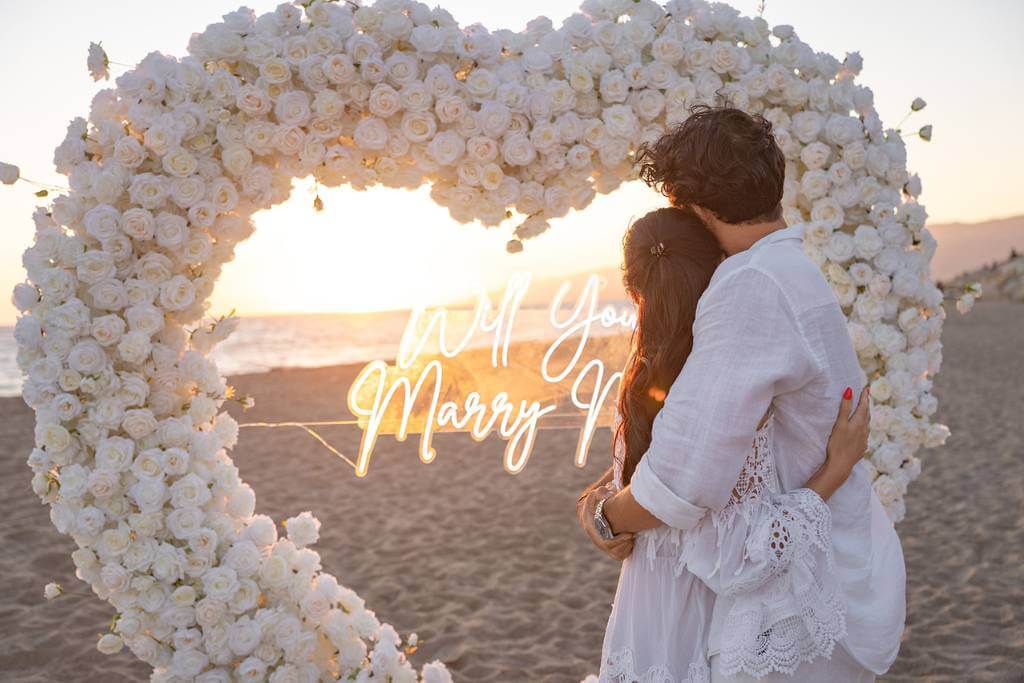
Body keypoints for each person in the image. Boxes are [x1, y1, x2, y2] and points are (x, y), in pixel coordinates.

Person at [579, 107, 906, 682]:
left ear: (694, 205)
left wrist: (604, 516)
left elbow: (686, 478)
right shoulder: (792, 270)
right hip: (812, 557)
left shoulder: (749, 285)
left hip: (786, 597)